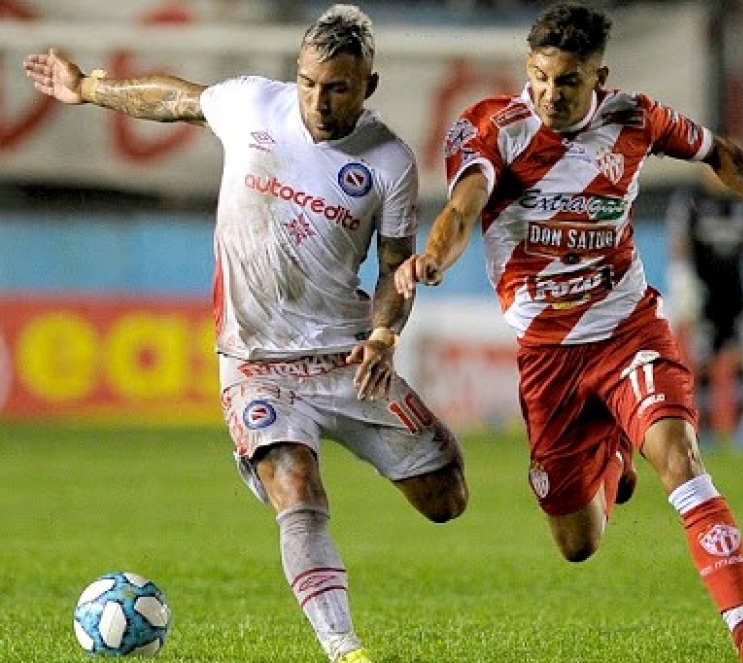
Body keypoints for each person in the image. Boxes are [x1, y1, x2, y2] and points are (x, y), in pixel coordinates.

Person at [24, 6, 468, 662]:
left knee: (446, 496)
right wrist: (88, 86)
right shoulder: (255, 105)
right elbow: (174, 99)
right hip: (255, 359)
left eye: (337, 87)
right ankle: (344, 647)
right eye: (308, 81)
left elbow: (395, 265)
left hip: (346, 353)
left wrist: (381, 337)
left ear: (367, 85)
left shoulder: (387, 161)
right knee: (297, 491)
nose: (318, 99)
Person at [395, 4, 743, 661]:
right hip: (547, 357)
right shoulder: (493, 127)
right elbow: (464, 203)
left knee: (680, 457)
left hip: (629, 329)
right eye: (538, 76)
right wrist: (432, 256)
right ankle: (614, 455)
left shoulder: (635, 118)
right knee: (578, 543)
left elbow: (720, 153)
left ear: (599, 76)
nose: (548, 93)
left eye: (566, 81)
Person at [664, 171, 743, 450]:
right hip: (704, 295)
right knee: (704, 361)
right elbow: (679, 246)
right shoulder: (691, 201)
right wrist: (683, 284)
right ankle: (706, 426)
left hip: (735, 296)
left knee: (738, 359)